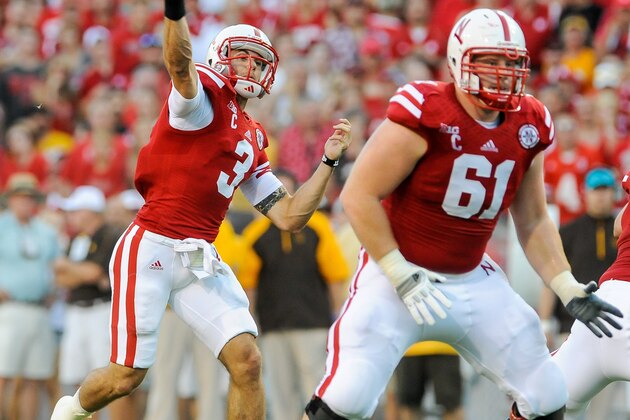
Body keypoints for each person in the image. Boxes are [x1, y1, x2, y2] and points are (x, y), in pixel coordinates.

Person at [302, 8, 622, 420]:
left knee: (547, 393)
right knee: (346, 400)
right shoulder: (427, 111)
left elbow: (533, 219)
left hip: (473, 278)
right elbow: (359, 195)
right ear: (458, 59)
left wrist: (565, 285)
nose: (502, 72)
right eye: (490, 60)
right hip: (398, 275)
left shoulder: (530, 122)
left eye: (511, 62)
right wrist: (401, 274)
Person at [50, 0, 351, 418]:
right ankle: (69, 412)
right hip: (151, 244)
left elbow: (290, 216)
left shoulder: (252, 135)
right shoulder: (202, 102)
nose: (249, 67)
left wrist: (328, 163)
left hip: (199, 255)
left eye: (257, 60)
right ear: (219, 58)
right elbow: (178, 64)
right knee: (126, 375)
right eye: (241, 56)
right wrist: (176, 13)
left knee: (247, 360)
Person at [240, 168, 350, 420]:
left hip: (313, 322)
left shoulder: (318, 226)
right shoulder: (255, 234)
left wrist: (337, 318)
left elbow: (335, 275)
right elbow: (249, 284)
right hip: (273, 324)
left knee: (315, 390)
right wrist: (253, 323)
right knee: (280, 392)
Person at [550, 169, 630, 420]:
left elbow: (619, 227)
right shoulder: (572, 231)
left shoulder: (614, 221)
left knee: (545, 401)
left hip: (600, 308)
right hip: (583, 314)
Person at [54, 185, 137, 420]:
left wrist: (70, 268)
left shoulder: (110, 234)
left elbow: (92, 272)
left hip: (103, 311)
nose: (71, 216)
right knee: (82, 381)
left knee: (110, 380)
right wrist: (83, 273)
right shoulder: (78, 239)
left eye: (76, 210)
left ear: (89, 211)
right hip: (77, 311)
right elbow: (62, 278)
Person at [0, 173, 59, 420]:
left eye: (29, 198)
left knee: (34, 376)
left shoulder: (46, 231)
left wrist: (53, 291)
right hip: (9, 307)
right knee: (3, 374)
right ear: (11, 199)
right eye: (20, 197)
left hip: (39, 309)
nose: (25, 202)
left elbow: (56, 266)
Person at [539, 166, 619, 349]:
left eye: (605, 189)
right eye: (596, 189)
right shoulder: (568, 232)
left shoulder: (623, 231)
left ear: (613, 193)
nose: (601, 195)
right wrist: (545, 322)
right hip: (573, 324)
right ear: (586, 193)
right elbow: (551, 277)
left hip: (618, 324)